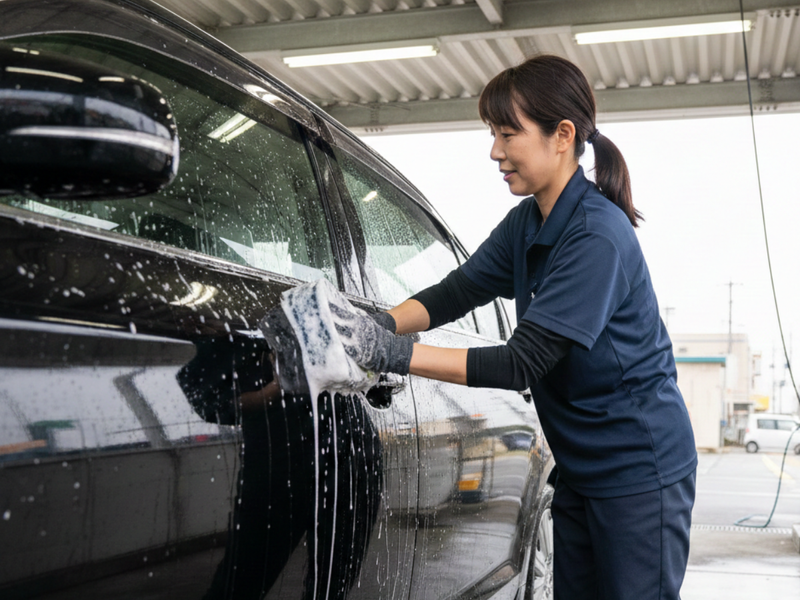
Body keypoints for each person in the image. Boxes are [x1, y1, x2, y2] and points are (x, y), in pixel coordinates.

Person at [334, 54, 697, 600]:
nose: (495, 151)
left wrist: (390, 353)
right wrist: (377, 323)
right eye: (493, 134)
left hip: (639, 473)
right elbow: (457, 292)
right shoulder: (528, 222)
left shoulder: (596, 236)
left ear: (562, 136)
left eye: (508, 134)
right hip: (580, 468)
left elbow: (519, 362)